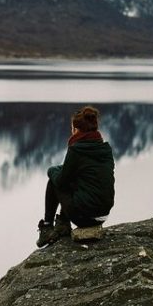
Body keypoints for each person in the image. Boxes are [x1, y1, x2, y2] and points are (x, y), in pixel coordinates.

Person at [37, 105, 115, 247]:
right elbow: (83, 172)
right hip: (103, 214)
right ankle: (62, 224)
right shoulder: (105, 149)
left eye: (72, 129)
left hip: (85, 216)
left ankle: (48, 227)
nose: (71, 133)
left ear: (77, 130)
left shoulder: (76, 150)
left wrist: (51, 170)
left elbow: (61, 181)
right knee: (73, 179)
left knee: (54, 181)